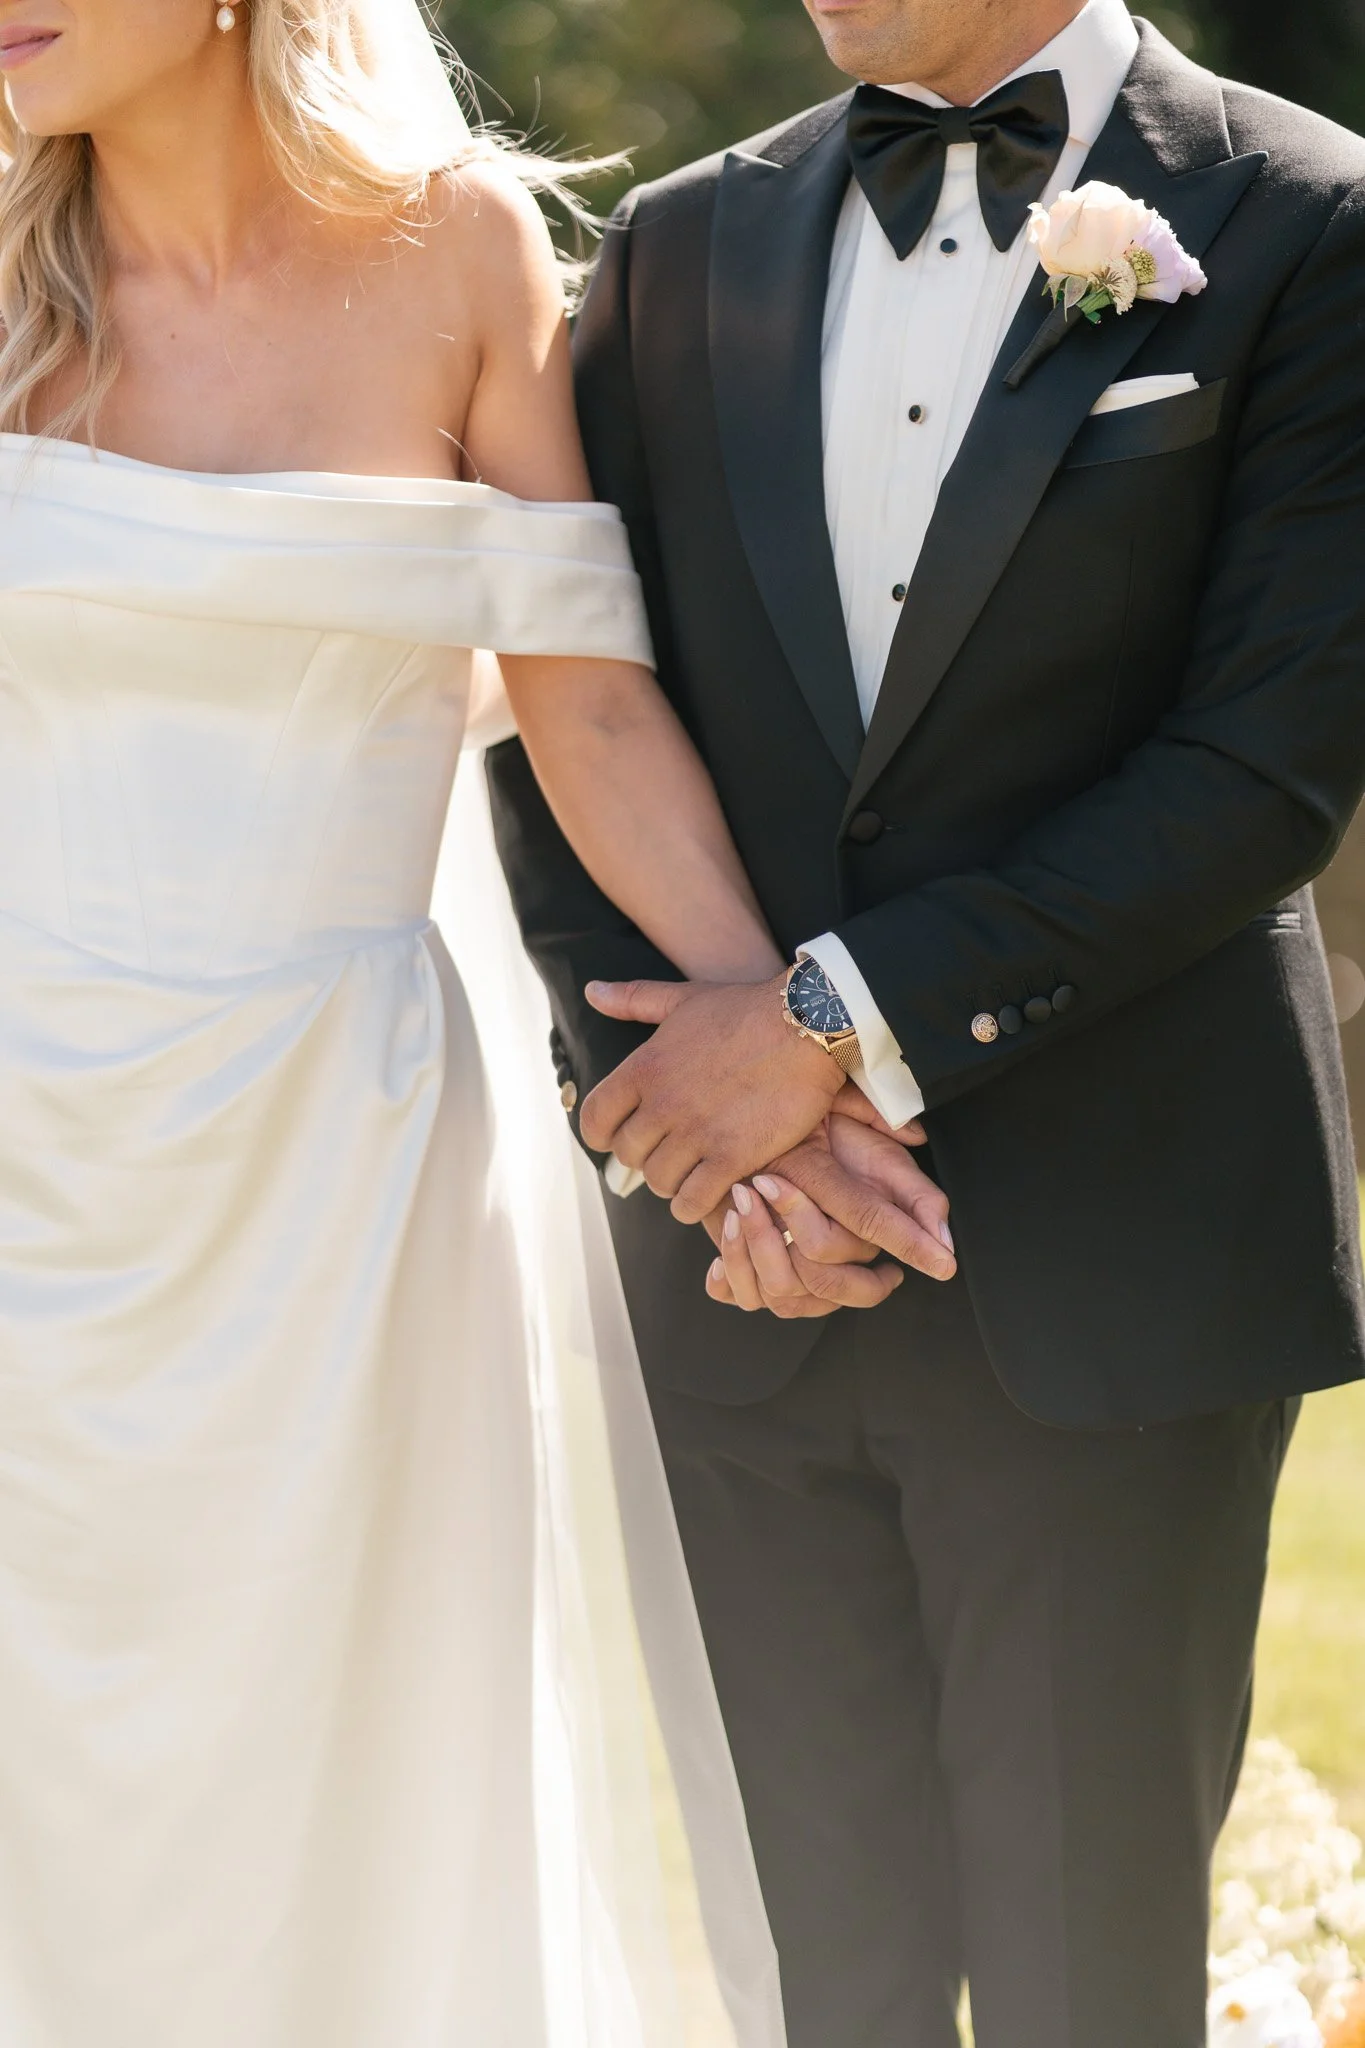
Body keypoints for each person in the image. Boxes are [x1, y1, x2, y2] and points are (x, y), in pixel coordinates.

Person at [0, 2, 955, 2039]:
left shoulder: (453, 256)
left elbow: (584, 699)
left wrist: (790, 1070)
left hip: (337, 1163)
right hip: (17, 1153)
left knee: (348, 1733)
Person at [487, 0, 1365, 2042]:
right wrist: (679, 1125)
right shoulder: (681, 245)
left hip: (1110, 1268)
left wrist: (826, 1027)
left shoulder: (1309, 224)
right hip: (738, 1280)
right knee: (808, 1980)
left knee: (1084, 1985)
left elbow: (1262, 770)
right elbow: (558, 715)